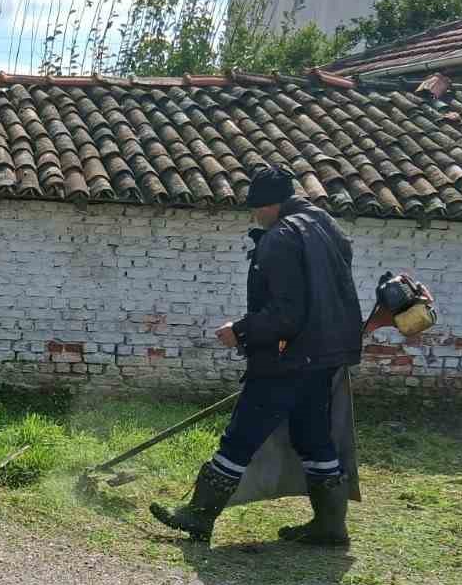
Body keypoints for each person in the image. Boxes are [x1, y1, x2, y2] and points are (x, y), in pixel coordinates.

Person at [150, 166, 364, 547]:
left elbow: (286, 314)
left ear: (271, 205)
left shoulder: (280, 237)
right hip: (325, 357)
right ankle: (331, 526)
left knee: (241, 435)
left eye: (256, 208)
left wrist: (241, 330)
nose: (254, 216)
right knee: (313, 437)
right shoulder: (325, 226)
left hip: (286, 359)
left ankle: (198, 516)